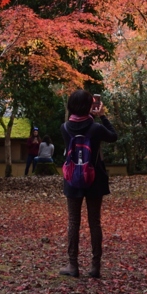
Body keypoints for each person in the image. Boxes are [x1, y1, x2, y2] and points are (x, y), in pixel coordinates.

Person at [60, 89, 117, 278]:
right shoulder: (96, 129)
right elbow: (113, 136)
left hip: (72, 180)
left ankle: (72, 265)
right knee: (94, 222)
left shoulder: (65, 128)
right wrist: (102, 116)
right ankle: (95, 266)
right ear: (89, 107)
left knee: (73, 222)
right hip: (95, 179)